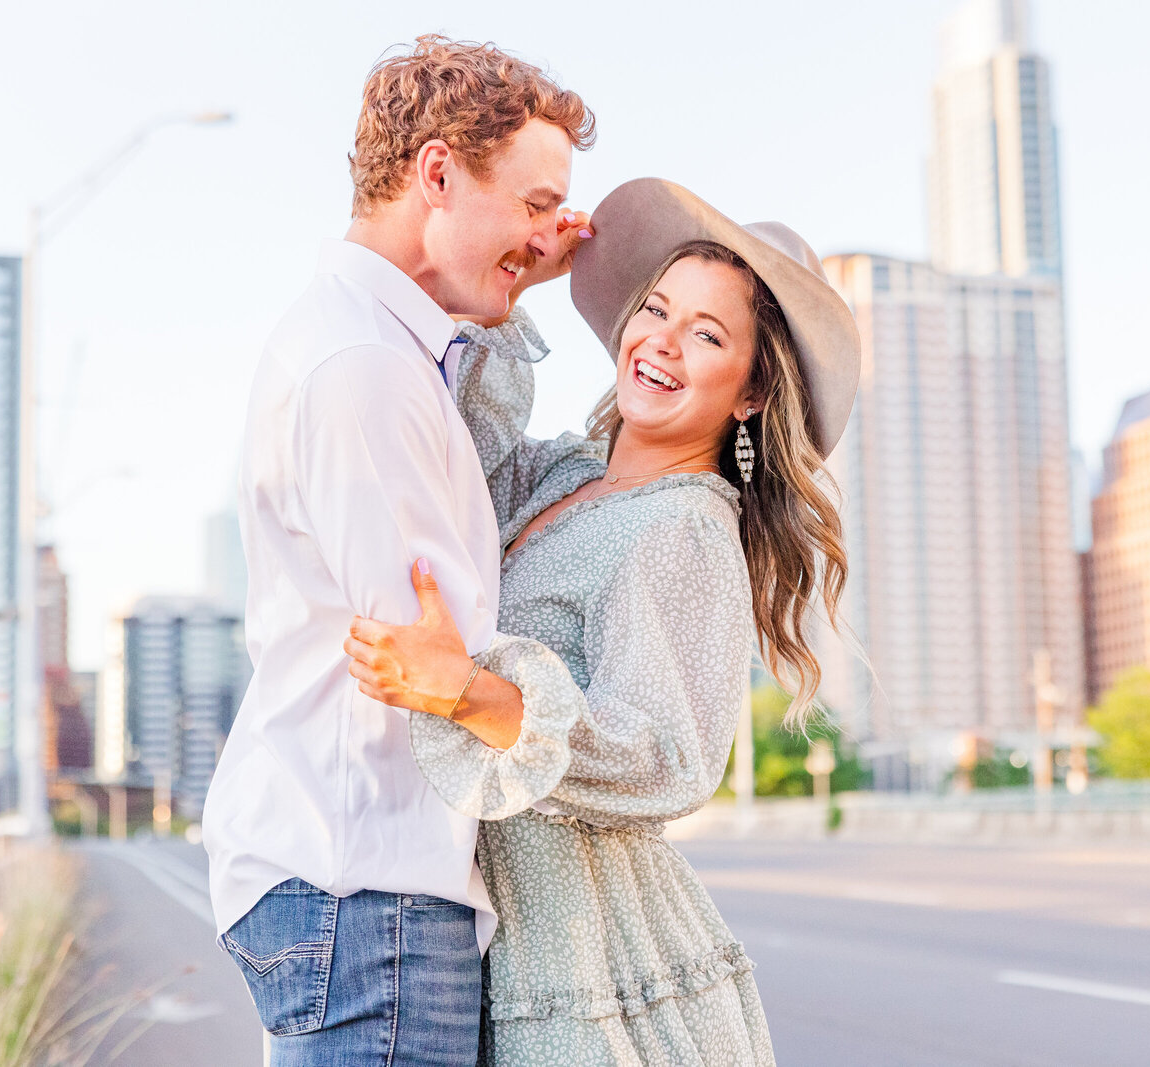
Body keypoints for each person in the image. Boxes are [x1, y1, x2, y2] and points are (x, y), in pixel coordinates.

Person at [343, 177, 861, 1065]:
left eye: (707, 334)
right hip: (490, 925)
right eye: (655, 308)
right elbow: (447, 449)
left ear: (749, 394)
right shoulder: (567, 477)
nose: (662, 341)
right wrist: (518, 278)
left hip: (591, 956)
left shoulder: (685, 527)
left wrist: (472, 696)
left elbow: (667, 755)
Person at [201, 36, 599, 1065]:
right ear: (435, 172)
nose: (549, 233)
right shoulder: (365, 367)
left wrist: (517, 269)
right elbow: (446, 673)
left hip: (351, 881)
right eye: (533, 201)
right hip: (368, 884)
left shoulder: (379, 346)